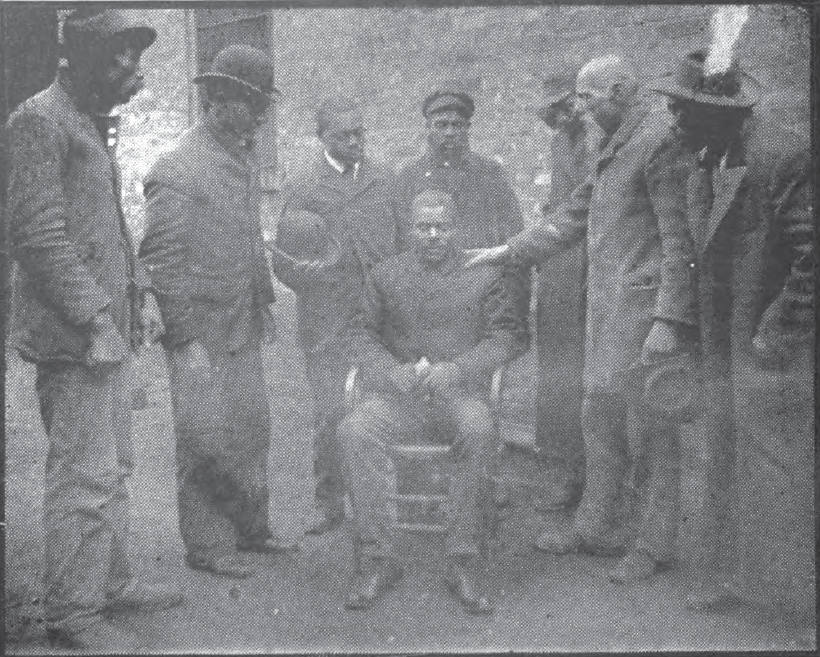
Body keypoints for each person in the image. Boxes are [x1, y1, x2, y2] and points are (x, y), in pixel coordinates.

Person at [466, 55, 697, 583]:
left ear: (619, 90)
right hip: (608, 312)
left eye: (589, 97)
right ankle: (596, 525)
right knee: (600, 416)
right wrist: (507, 251)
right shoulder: (613, 144)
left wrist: (668, 319)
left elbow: (680, 241)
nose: (583, 108)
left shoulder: (659, 142)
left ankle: (652, 543)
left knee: (651, 429)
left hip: (643, 318)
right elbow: (573, 214)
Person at [5, 8, 182, 651]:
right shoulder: (38, 123)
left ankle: (106, 585)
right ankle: (70, 611)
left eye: (133, 57)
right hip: (76, 339)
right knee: (83, 475)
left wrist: (141, 298)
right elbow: (41, 238)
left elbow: (106, 232)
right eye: (117, 58)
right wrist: (94, 321)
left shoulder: (86, 123)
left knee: (114, 468)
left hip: (107, 332)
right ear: (77, 59)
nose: (130, 70)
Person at [650, 51, 815, 620]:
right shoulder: (705, 155)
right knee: (723, 455)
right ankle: (735, 580)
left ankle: (794, 603)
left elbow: (811, 258)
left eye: (679, 109)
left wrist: (774, 339)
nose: (671, 119)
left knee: (775, 465)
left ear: (712, 111)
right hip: (726, 342)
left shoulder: (782, 155)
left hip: (774, 349)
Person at [140, 45, 294, 580]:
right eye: (253, 104)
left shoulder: (239, 153)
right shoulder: (177, 167)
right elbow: (160, 262)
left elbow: (249, 239)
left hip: (242, 321)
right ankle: (206, 545)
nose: (261, 115)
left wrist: (264, 305)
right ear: (221, 100)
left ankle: (252, 530)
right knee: (204, 435)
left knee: (252, 428)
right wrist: (184, 343)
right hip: (200, 330)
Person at [339, 191, 525, 614]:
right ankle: (377, 559)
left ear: (457, 229)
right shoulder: (386, 275)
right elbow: (358, 335)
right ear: (410, 229)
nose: (433, 235)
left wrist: (457, 369)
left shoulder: (484, 275)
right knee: (354, 430)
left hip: (457, 395)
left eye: (442, 226)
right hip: (398, 396)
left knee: (478, 430)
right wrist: (391, 371)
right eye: (423, 227)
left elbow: (507, 337)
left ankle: (462, 560)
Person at [269, 96, 400, 536]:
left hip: (380, 318)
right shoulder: (304, 185)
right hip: (326, 320)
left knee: (388, 403)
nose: (355, 141)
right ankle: (329, 501)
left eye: (359, 132)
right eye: (344, 135)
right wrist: (317, 280)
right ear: (321, 138)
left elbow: (401, 246)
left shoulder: (385, 180)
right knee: (331, 411)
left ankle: (384, 501)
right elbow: (283, 263)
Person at [391, 80, 531, 345]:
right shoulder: (409, 178)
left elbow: (513, 240)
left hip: (480, 294)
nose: (449, 133)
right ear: (428, 129)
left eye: (457, 125)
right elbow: (399, 244)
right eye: (441, 125)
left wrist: (514, 309)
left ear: (468, 129)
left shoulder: (490, 175)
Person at [532, 87, 594, 510]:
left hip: (593, 265)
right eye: (552, 112)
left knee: (593, 379)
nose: (560, 117)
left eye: (567, 106)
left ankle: (594, 478)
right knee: (556, 374)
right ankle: (562, 471)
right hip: (557, 267)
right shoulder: (560, 142)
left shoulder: (598, 141)